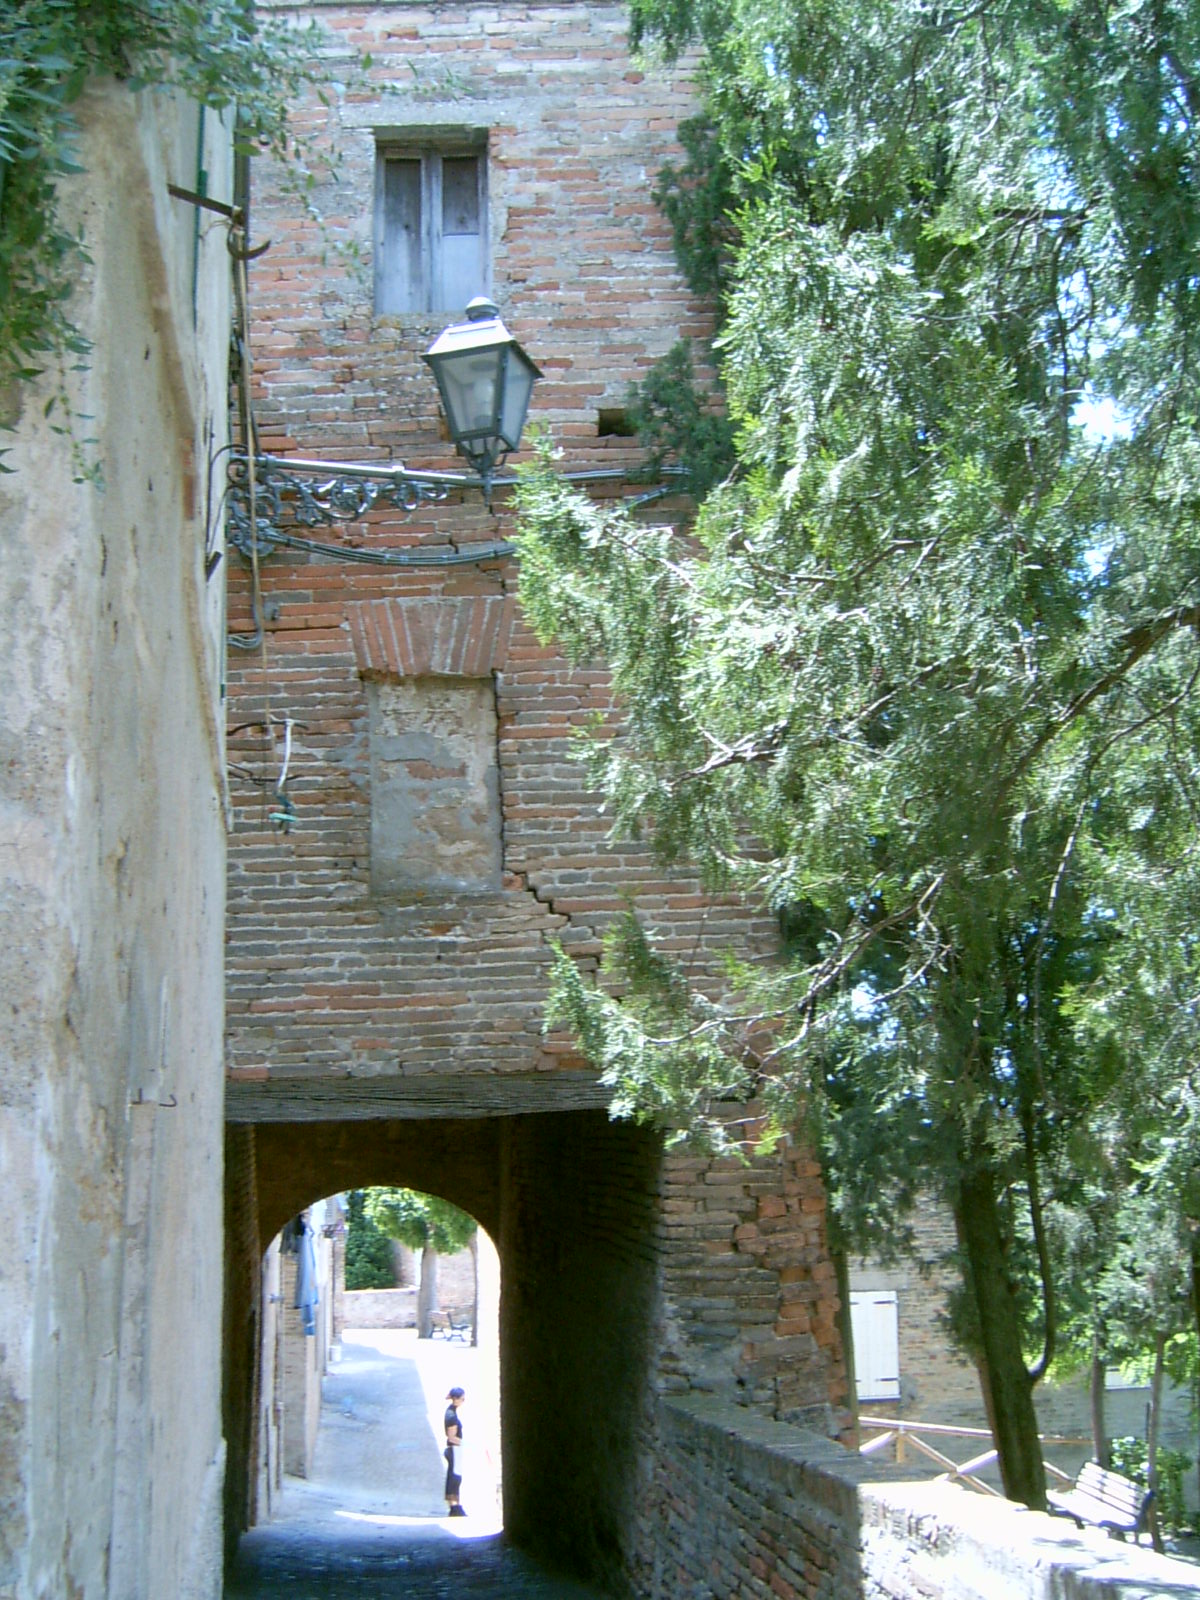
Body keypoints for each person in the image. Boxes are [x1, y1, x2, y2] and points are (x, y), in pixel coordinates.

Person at [444, 1386, 466, 1516]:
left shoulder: (451, 1412)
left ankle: (455, 1504)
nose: (464, 1401)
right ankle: (454, 1506)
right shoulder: (451, 1416)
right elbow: (451, 1437)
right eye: (462, 1399)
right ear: (456, 1399)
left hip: (455, 1450)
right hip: (454, 1450)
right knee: (454, 1478)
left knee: (455, 1477)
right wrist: (467, 1444)